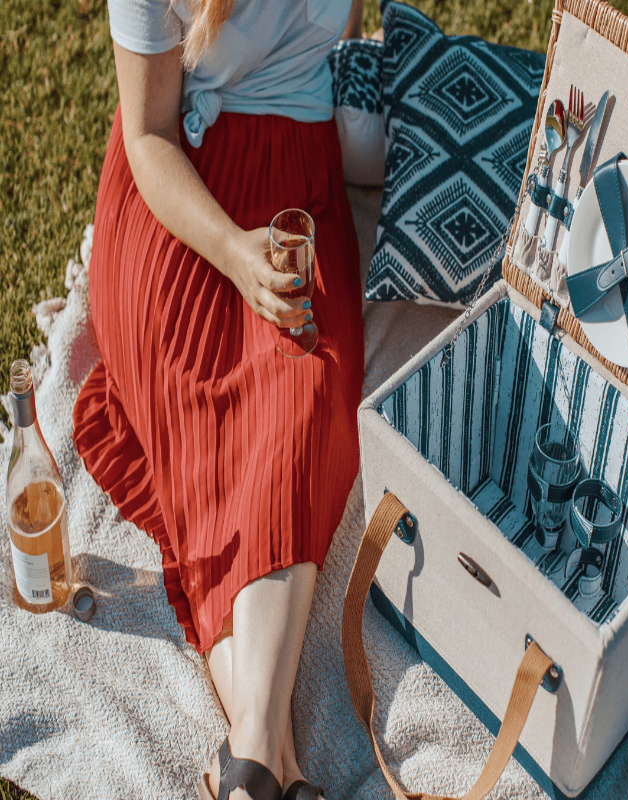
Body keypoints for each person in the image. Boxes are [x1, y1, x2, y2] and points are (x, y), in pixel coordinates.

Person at [71, 0, 365, 798]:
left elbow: (345, 32)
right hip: (183, 198)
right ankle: (267, 759)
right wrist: (235, 254)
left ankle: (255, 766)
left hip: (300, 183)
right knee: (211, 411)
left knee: (308, 407)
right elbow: (147, 137)